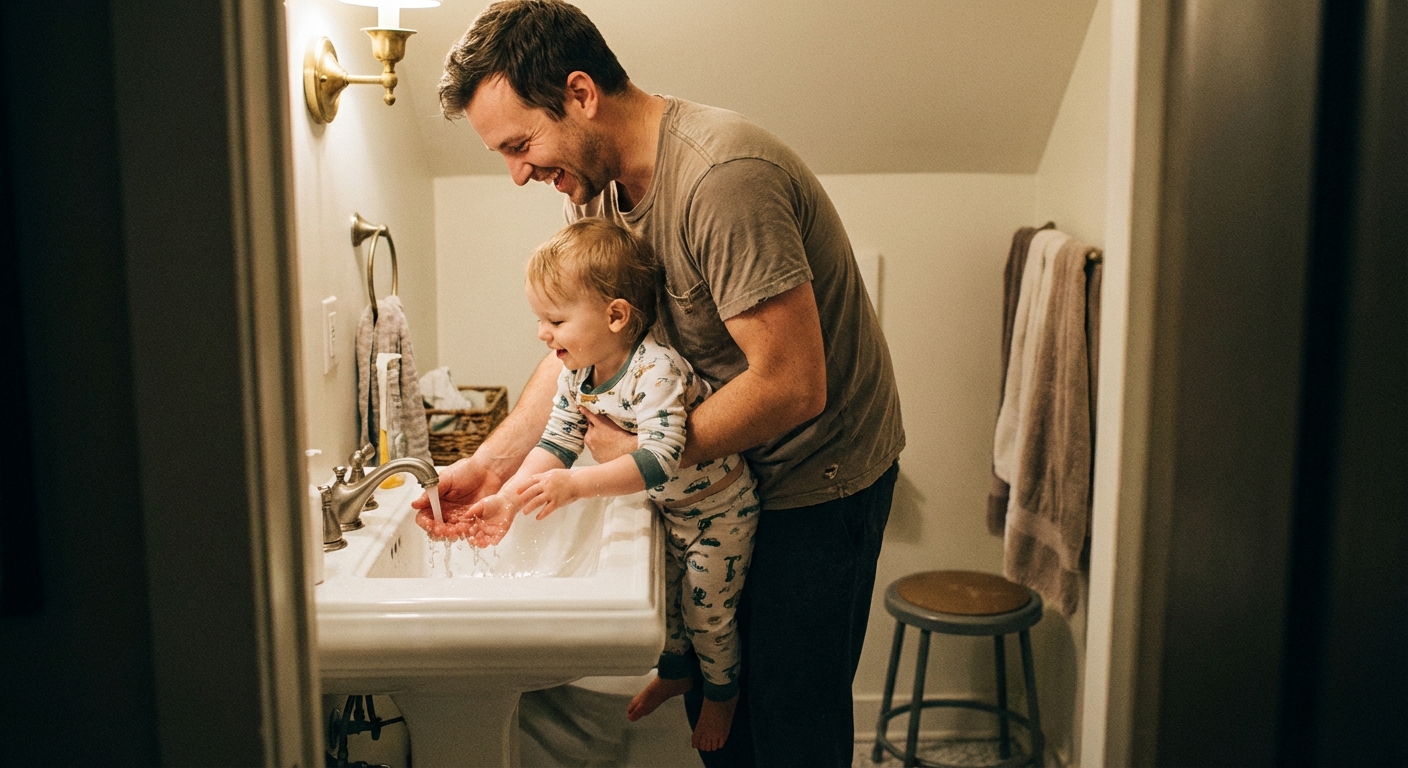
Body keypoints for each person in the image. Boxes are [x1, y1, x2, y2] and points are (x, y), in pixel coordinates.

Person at [415, 1, 905, 764]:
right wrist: (492, 465)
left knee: (788, 731)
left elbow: (792, 385)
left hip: (818, 478)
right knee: (725, 718)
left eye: (521, 144)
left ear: (580, 94)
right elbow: (576, 353)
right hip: (725, 477)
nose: (517, 174)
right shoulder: (595, 188)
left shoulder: (722, 180)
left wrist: (631, 461)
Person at [421, 218, 760, 750]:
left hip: (719, 511)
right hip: (671, 511)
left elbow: (660, 458)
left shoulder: (657, 371)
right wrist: (508, 499)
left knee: (706, 611)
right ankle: (676, 673)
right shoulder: (577, 374)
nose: (542, 334)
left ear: (616, 315)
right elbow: (555, 445)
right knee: (670, 605)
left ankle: (721, 694)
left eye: (554, 319)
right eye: (540, 319)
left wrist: (576, 487)